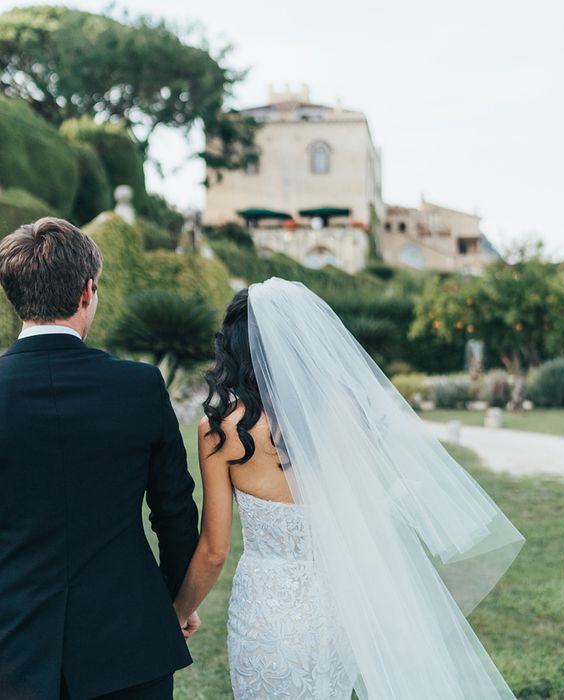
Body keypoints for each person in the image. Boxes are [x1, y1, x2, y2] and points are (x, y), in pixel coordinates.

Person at [173, 278, 526, 699]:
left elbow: (214, 551)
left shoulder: (220, 430)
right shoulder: (346, 412)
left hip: (266, 614)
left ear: (234, 347)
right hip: (341, 609)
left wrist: (180, 611)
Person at [0, 218, 200, 700]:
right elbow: (174, 513)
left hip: (12, 646)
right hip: (130, 640)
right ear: (88, 291)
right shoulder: (140, 385)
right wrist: (177, 602)